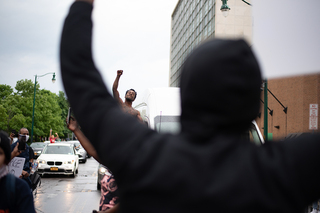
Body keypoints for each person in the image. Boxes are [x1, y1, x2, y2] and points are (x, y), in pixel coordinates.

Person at [60, 1, 320, 213]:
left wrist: (83, 6)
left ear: (185, 99)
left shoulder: (148, 158)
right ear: (255, 109)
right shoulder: (280, 172)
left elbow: (80, 76)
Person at [67, 116, 120, 212]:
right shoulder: (115, 161)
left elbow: (132, 199)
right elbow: (92, 151)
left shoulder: (131, 166)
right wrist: (76, 130)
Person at [0, 131, 36, 212]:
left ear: (5, 158)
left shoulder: (19, 188)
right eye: (24, 134)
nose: (25, 136)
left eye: (0, 153)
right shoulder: (13, 147)